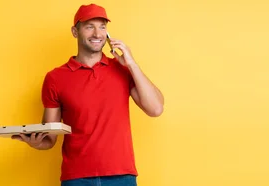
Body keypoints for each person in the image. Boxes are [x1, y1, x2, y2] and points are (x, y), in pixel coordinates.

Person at [11, 3, 164, 186]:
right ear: (75, 32)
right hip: (76, 178)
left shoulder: (123, 70)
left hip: (121, 175)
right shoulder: (55, 78)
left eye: (102, 27)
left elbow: (156, 108)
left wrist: (131, 63)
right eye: (89, 26)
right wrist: (36, 143)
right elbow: (49, 138)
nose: (97, 34)